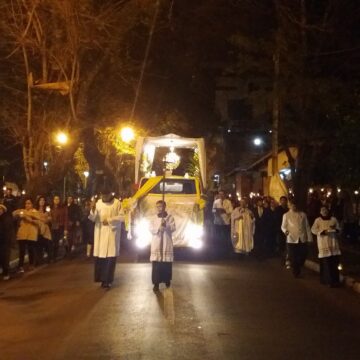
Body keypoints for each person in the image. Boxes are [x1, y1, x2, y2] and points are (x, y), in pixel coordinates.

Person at [89, 187, 123, 289]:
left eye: (106, 195)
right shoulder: (98, 203)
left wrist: (109, 220)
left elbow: (121, 217)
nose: (104, 197)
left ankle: (108, 280)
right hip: (100, 233)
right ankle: (101, 280)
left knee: (110, 258)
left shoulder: (117, 203)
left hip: (112, 234)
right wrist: (93, 209)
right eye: (102, 195)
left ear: (110, 194)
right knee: (101, 259)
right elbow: (92, 218)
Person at [311, 206, 342, 287]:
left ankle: (335, 280)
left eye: (326, 210)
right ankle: (327, 281)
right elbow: (313, 229)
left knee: (334, 264)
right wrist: (321, 232)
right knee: (326, 264)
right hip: (323, 244)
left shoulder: (333, 219)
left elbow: (339, 228)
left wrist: (337, 230)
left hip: (333, 243)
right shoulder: (318, 220)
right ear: (320, 211)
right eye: (322, 210)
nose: (324, 211)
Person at [281, 201, 312, 278]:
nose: (294, 206)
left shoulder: (303, 214)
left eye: (295, 205)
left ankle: (298, 265)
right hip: (291, 239)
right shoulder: (286, 215)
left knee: (303, 254)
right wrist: (286, 232)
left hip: (302, 238)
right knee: (293, 256)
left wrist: (310, 238)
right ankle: (296, 272)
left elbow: (307, 226)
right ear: (289, 206)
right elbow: (283, 226)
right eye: (292, 205)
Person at [150, 200, 176, 292]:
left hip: (166, 242)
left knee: (166, 264)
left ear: (165, 207)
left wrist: (166, 225)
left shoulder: (170, 217)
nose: (159, 208)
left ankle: (167, 280)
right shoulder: (153, 218)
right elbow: (150, 229)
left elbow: (173, 228)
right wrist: (158, 228)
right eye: (157, 207)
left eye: (160, 206)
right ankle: (156, 284)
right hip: (157, 243)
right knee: (156, 265)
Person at [13, 198, 41, 272]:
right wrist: (18, 215)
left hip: (31, 233)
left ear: (32, 204)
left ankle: (31, 264)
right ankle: (20, 266)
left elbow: (38, 222)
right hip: (22, 233)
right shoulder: (22, 211)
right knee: (21, 251)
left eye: (29, 203)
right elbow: (14, 214)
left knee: (30, 250)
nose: (27, 205)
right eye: (26, 203)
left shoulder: (35, 212)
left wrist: (27, 218)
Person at [212, 190, 233, 257]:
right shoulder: (216, 201)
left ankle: (225, 252)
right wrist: (216, 211)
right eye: (220, 194)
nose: (221, 195)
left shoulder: (228, 202)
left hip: (225, 222)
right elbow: (213, 210)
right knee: (218, 237)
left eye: (222, 194)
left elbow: (231, 211)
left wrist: (224, 210)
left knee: (225, 237)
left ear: (225, 195)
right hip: (217, 222)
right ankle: (218, 251)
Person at [35, 196, 52, 264]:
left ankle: (49, 258)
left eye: (43, 200)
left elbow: (50, 218)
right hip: (38, 229)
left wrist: (47, 219)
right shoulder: (35, 210)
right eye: (40, 200)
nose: (42, 201)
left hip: (45, 229)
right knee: (38, 245)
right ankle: (39, 260)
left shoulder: (47, 209)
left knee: (47, 244)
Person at [0, 204, 14, 280]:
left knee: (5, 257)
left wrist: (9, 240)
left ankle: (6, 272)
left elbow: (9, 230)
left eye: (0, 209)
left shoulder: (6, 219)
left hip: (5, 241)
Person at [50, 195, 65, 261]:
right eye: (55, 199)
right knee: (52, 241)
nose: (56, 200)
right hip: (52, 226)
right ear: (53, 200)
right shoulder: (50, 208)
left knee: (56, 241)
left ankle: (54, 256)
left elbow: (64, 218)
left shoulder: (61, 208)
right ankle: (51, 255)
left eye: (57, 199)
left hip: (58, 227)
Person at [275, 196, 289, 264]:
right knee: (281, 244)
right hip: (280, 229)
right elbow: (276, 219)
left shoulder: (288, 210)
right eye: (282, 200)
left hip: (288, 229)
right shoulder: (278, 209)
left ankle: (287, 257)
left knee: (287, 244)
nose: (283, 202)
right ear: (280, 201)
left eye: (284, 200)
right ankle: (282, 258)